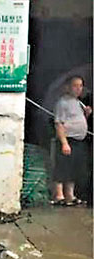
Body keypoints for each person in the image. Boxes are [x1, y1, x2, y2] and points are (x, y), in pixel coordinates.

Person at [52, 75, 92, 206]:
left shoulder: (78, 102)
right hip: (68, 139)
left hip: (78, 140)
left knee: (74, 169)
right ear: (67, 87)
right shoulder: (62, 102)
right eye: (75, 85)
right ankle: (59, 195)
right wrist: (64, 143)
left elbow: (76, 120)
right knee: (62, 168)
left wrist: (86, 113)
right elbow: (59, 123)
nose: (78, 89)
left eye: (80, 86)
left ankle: (70, 195)